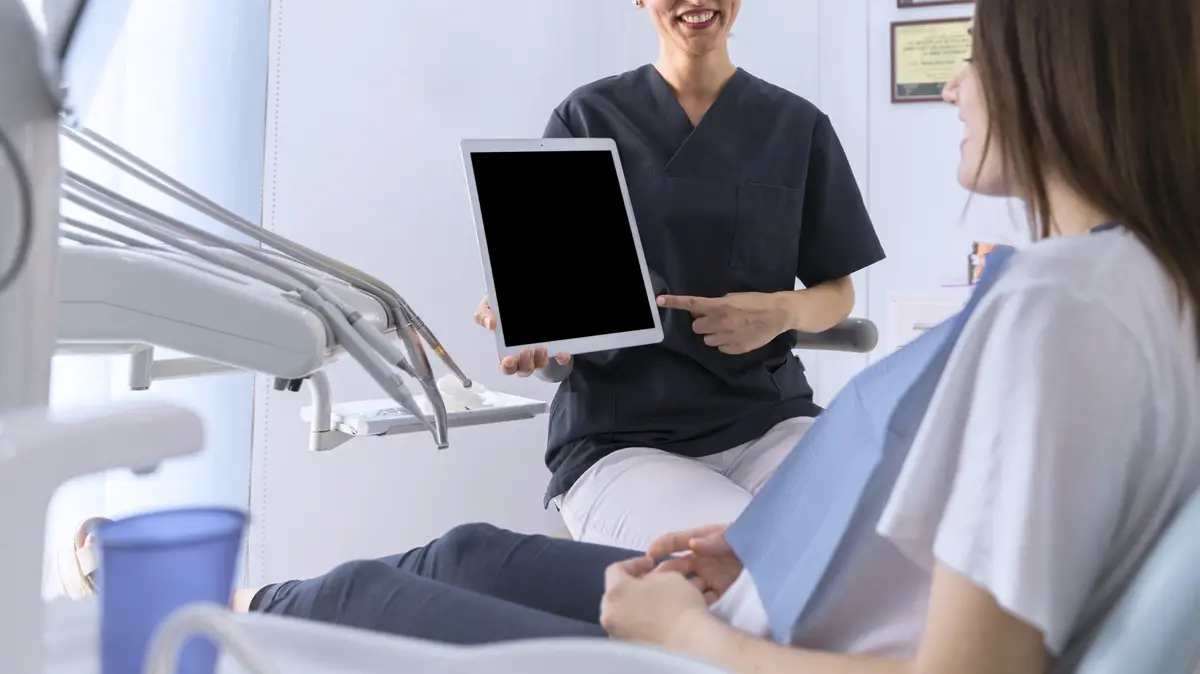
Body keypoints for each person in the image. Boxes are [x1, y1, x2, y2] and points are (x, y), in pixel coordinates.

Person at [66, 0, 1200, 671]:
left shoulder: (1061, 307)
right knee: (459, 551)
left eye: (978, 51)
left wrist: (697, 632)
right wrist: (755, 548)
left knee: (368, 604)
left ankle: (177, 609)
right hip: (658, 465)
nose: (956, 85)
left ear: (1061, 69)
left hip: (750, 605)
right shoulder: (1118, 289)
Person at [474, 0, 886, 551]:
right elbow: (554, 280)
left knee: (869, 544)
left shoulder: (797, 126)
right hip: (623, 435)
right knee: (751, 557)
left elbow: (837, 292)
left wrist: (780, 312)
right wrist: (535, 320)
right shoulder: (588, 117)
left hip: (768, 420)